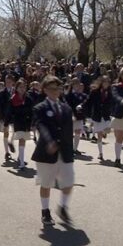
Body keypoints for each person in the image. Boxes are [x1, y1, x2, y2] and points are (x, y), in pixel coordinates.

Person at [31, 76, 75, 226]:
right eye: (51, 89)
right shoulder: (40, 108)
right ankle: (45, 212)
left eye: (57, 88)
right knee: (46, 183)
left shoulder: (66, 108)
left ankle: (63, 207)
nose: (55, 92)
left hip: (65, 152)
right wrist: (49, 141)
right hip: (46, 152)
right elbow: (41, 126)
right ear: (44, 90)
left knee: (69, 181)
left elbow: (69, 129)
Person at [83, 76, 112, 161]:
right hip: (97, 116)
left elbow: (115, 102)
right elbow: (88, 101)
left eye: (107, 82)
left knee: (108, 130)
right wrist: (81, 105)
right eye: (104, 82)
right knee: (99, 136)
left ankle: (103, 132)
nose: (106, 83)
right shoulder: (95, 92)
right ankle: (100, 153)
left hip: (106, 115)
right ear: (101, 83)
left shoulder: (111, 92)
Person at [10, 79, 34, 170]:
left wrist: (33, 122)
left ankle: (20, 157)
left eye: (24, 87)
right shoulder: (13, 99)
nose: (22, 89)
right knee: (22, 139)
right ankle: (21, 163)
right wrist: (6, 123)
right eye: (20, 87)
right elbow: (10, 112)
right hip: (18, 122)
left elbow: (32, 111)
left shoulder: (28, 98)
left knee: (23, 140)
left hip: (26, 122)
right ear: (16, 88)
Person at [65, 78, 88, 155]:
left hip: (79, 116)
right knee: (70, 133)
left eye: (78, 83)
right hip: (71, 116)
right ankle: (69, 148)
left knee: (78, 132)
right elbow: (67, 105)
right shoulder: (69, 94)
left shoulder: (82, 95)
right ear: (72, 85)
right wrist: (71, 114)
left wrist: (82, 107)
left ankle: (75, 149)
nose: (77, 85)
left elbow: (85, 103)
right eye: (75, 84)